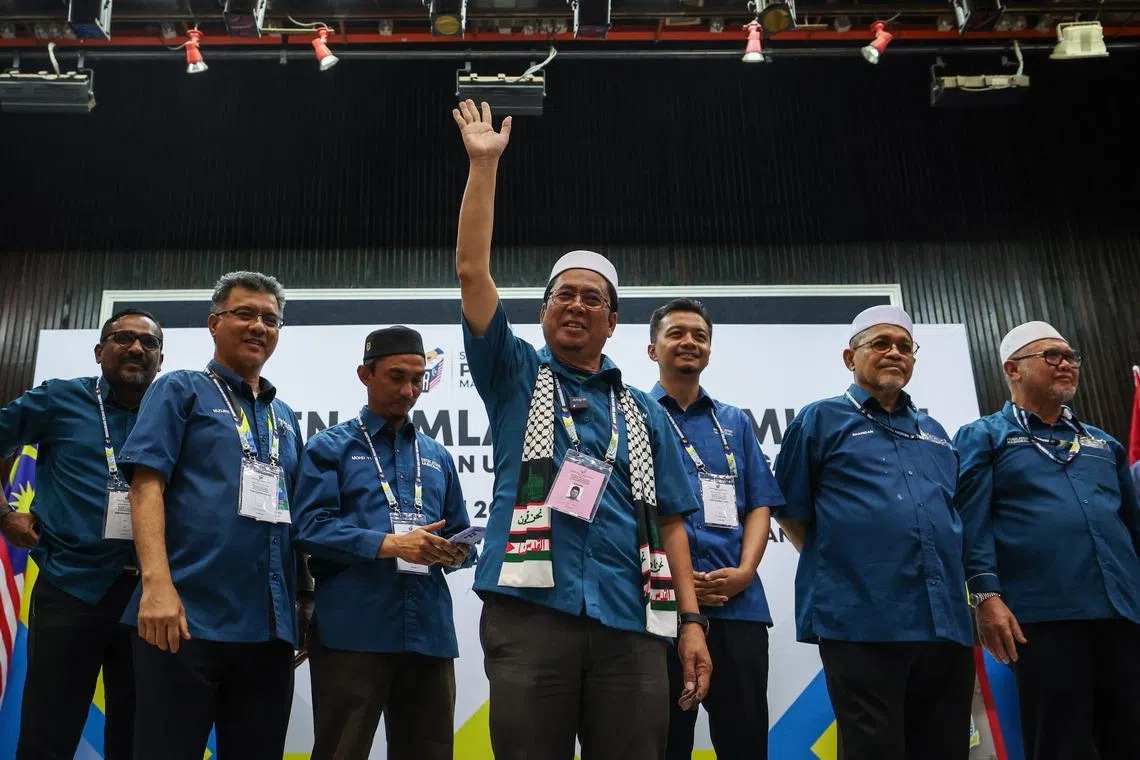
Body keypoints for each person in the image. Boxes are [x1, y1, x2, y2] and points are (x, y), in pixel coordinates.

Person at [452, 99, 711, 760]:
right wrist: (484, 167)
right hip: (530, 614)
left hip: (631, 619)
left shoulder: (644, 411)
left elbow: (675, 523)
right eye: (563, 294)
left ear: (612, 321)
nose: (575, 305)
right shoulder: (513, 375)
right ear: (541, 312)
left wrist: (690, 622)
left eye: (591, 297)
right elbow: (473, 274)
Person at [773, 304, 974, 760]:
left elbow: (952, 518)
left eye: (904, 346)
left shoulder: (937, 432)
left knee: (944, 749)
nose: (894, 353)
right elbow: (791, 512)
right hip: (861, 620)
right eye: (880, 344)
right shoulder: (819, 419)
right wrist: (848, 567)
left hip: (944, 625)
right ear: (850, 358)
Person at [117, 271, 304, 760]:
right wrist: (157, 586)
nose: (258, 326)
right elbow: (145, 486)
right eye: (245, 313)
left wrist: (301, 609)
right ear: (213, 324)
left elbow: (295, 520)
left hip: (267, 630)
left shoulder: (283, 416)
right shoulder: (180, 389)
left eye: (270, 318)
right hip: (183, 621)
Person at [954, 321, 1140, 760]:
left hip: (1122, 612)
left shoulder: (1104, 444)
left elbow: (1132, 530)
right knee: (1060, 744)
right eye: (1051, 356)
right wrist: (985, 597)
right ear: (1013, 369)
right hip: (1044, 616)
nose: (1066, 364)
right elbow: (969, 523)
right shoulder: (984, 437)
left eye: (1071, 356)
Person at [292, 326, 475, 760]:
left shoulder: (437, 456)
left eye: (417, 379)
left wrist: (457, 551)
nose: (409, 390)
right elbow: (309, 528)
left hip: (429, 633)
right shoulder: (329, 447)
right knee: (341, 749)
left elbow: (460, 531)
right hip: (354, 631)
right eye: (396, 377)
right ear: (365, 375)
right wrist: (391, 544)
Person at [0, 309, 163, 760]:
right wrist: (4, 514)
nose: (135, 348)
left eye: (148, 343)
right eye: (123, 338)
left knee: (137, 737)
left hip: (149, 597)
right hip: (70, 586)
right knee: (48, 730)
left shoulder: (172, 409)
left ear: (160, 359)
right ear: (99, 351)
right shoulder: (59, 399)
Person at [647, 298, 785, 760]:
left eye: (700, 336)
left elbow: (760, 504)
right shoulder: (633, 417)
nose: (689, 342)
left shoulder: (735, 422)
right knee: (665, 743)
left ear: (709, 350)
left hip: (738, 605)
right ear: (653, 349)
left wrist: (746, 571)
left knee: (745, 742)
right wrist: (680, 583)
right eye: (677, 333)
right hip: (661, 609)